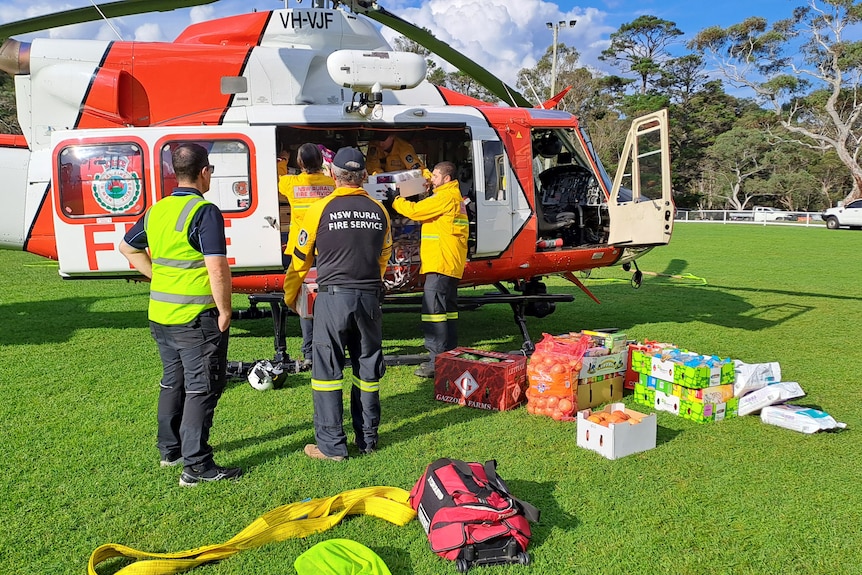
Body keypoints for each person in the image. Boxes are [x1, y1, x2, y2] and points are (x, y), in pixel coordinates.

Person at [119, 143, 241, 486]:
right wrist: (225, 310)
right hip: (194, 318)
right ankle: (197, 466)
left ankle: (170, 451)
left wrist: (159, 276)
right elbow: (217, 266)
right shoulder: (204, 211)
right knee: (202, 387)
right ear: (205, 172)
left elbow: (127, 246)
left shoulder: (157, 210)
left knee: (174, 381)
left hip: (161, 315)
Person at [284, 147, 392, 461]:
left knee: (326, 374)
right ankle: (368, 440)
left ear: (334, 175)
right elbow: (384, 255)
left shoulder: (318, 210)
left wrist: (292, 296)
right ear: (365, 176)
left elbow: (300, 260)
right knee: (368, 371)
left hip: (332, 299)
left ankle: (331, 447)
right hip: (369, 298)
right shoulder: (379, 210)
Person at [386, 161, 469, 379]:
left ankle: (436, 362)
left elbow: (416, 211)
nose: (432, 179)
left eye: (435, 176)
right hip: (450, 263)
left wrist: (394, 200)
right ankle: (450, 355)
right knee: (448, 311)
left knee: (434, 313)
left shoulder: (444, 198)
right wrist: (422, 174)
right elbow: (431, 180)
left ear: (447, 179)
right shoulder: (452, 194)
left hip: (440, 262)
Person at [278, 143, 336, 370]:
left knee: (305, 300)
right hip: (327, 248)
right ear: (321, 162)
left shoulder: (291, 183)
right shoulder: (331, 183)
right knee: (328, 295)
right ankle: (330, 345)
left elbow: (278, 175)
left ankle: (309, 352)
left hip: (302, 249)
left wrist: (283, 159)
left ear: (299, 164)